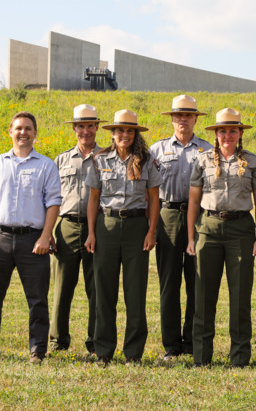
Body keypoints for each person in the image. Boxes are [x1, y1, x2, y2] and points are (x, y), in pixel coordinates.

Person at [0, 111, 62, 364]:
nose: (23, 133)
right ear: (10, 131)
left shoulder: (46, 165)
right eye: (19, 128)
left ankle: (37, 351)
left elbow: (54, 202)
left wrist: (46, 237)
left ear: (35, 133)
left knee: (37, 299)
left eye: (28, 128)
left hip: (33, 242)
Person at [186, 108, 256, 367]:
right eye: (223, 130)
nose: (227, 135)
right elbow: (193, 200)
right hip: (208, 228)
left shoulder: (253, 161)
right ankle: (201, 356)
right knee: (203, 295)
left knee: (240, 295)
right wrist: (191, 237)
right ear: (216, 133)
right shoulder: (202, 161)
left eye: (233, 130)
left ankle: (240, 357)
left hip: (241, 229)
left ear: (240, 133)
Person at [84, 110, 162, 366]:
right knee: (104, 290)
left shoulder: (147, 160)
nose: (125, 135)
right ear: (112, 133)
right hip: (106, 225)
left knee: (135, 291)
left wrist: (151, 232)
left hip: (137, 227)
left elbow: (153, 199)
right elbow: (93, 199)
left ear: (135, 133)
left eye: (129, 131)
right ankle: (103, 350)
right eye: (120, 130)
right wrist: (92, 233)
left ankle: (133, 353)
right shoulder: (99, 158)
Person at [149, 95, 212, 360]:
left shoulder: (209, 149)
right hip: (168, 216)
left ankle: (192, 341)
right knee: (169, 282)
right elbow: (148, 191)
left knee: (197, 282)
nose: (183, 119)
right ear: (172, 118)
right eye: (178, 115)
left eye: (188, 115)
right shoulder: (157, 149)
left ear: (196, 118)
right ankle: (172, 344)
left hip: (201, 219)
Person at [49, 104, 105, 357]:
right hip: (67, 226)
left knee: (97, 288)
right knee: (62, 288)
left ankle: (95, 343)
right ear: (74, 128)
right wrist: (47, 230)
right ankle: (57, 342)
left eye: (90, 125)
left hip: (99, 228)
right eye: (80, 126)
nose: (85, 131)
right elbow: (49, 198)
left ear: (96, 127)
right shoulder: (60, 160)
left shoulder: (107, 157)